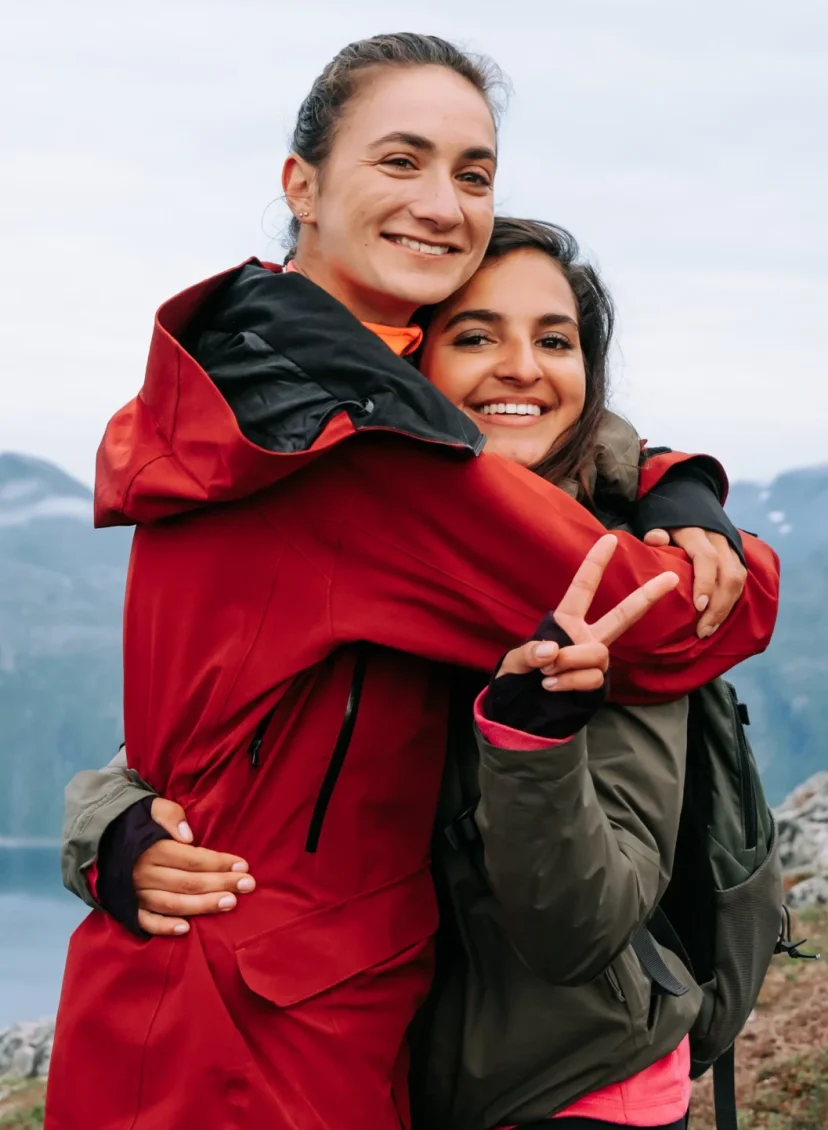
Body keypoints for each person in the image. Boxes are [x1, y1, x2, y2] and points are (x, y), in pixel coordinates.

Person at [46, 32, 779, 1130]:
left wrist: (666, 476)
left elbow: (251, 700)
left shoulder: (248, 378)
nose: (443, 202)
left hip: (233, 998)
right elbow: (663, 620)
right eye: (401, 160)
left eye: (474, 173)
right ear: (300, 184)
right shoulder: (359, 443)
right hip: (252, 1031)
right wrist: (727, 542)